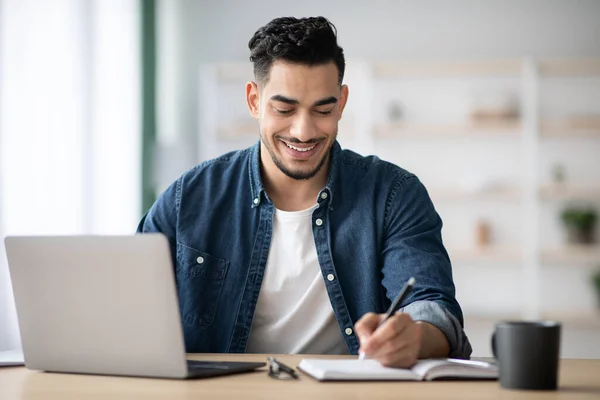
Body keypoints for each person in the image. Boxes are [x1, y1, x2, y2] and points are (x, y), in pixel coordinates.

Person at [137, 16, 472, 367]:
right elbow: (131, 304)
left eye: (323, 110)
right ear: (254, 101)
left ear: (342, 102)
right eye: (284, 109)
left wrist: (414, 336)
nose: (303, 131)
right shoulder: (189, 197)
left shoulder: (394, 195)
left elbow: (433, 306)